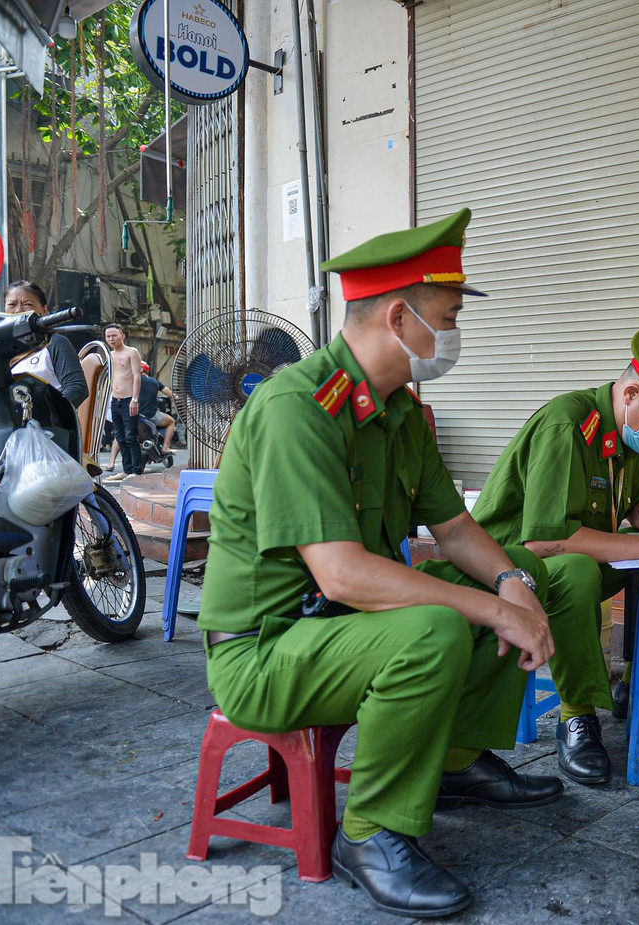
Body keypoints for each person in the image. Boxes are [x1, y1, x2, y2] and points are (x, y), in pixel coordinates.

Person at [199, 208, 563, 919]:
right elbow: (340, 573)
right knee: (433, 628)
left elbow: (454, 528)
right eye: (450, 315)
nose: (455, 334)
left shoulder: (398, 410)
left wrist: (512, 585)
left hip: (334, 628)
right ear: (400, 317)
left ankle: (454, 760)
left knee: (519, 570)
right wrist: (492, 610)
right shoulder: (296, 409)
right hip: (265, 650)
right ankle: (372, 833)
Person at [471, 330, 639, 785]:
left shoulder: (626, 436)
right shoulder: (567, 424)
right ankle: (576, 719)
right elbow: (545, 543)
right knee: (577, 572)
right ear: (632, 393)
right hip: (508, 568)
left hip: (560, 557)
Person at [4, 281, 88, 408]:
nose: (18, 310)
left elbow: (77, 388)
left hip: (45, 426)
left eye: (27, 304)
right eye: (12, 304)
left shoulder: (55, 343)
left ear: (44, 310)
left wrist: (48, 413)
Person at [103, 324, 144, 481]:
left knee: (130, 436)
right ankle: (126, 470)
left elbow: (137, 376)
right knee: (119, 437)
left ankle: (137, 471)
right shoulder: (109, 355)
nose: (111, 339)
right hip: (115, 400)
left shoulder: (131, 352)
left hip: (129, 399)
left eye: (114, 335)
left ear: (122, 335)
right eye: (108, 336)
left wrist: (135, 399)